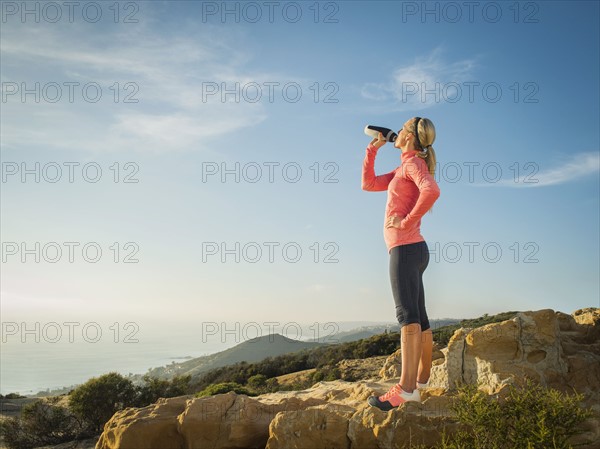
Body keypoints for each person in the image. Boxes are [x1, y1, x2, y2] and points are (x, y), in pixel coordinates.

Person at [362, 117, 440, 411]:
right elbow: (368, 184)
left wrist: (406, 222)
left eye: (403, 126)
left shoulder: (412, 165)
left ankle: (406, 390)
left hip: (406, 248)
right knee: (419, 316)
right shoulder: (405, 165)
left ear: (409, 137)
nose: (397, 129)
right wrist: (373, 150)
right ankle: (421, 381)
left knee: (407, 317)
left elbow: (432, 190)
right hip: (413, 249)